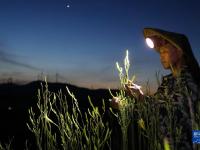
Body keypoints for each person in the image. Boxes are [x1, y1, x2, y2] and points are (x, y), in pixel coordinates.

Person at [111, 28, 200, 150]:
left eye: (165, 51)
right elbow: (153, 115)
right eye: (160, 52)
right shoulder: (167, 83)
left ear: (179, 52)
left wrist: (197, 143)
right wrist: (128, 104)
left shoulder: (190, 82)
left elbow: (169, 113)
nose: (161, 56)